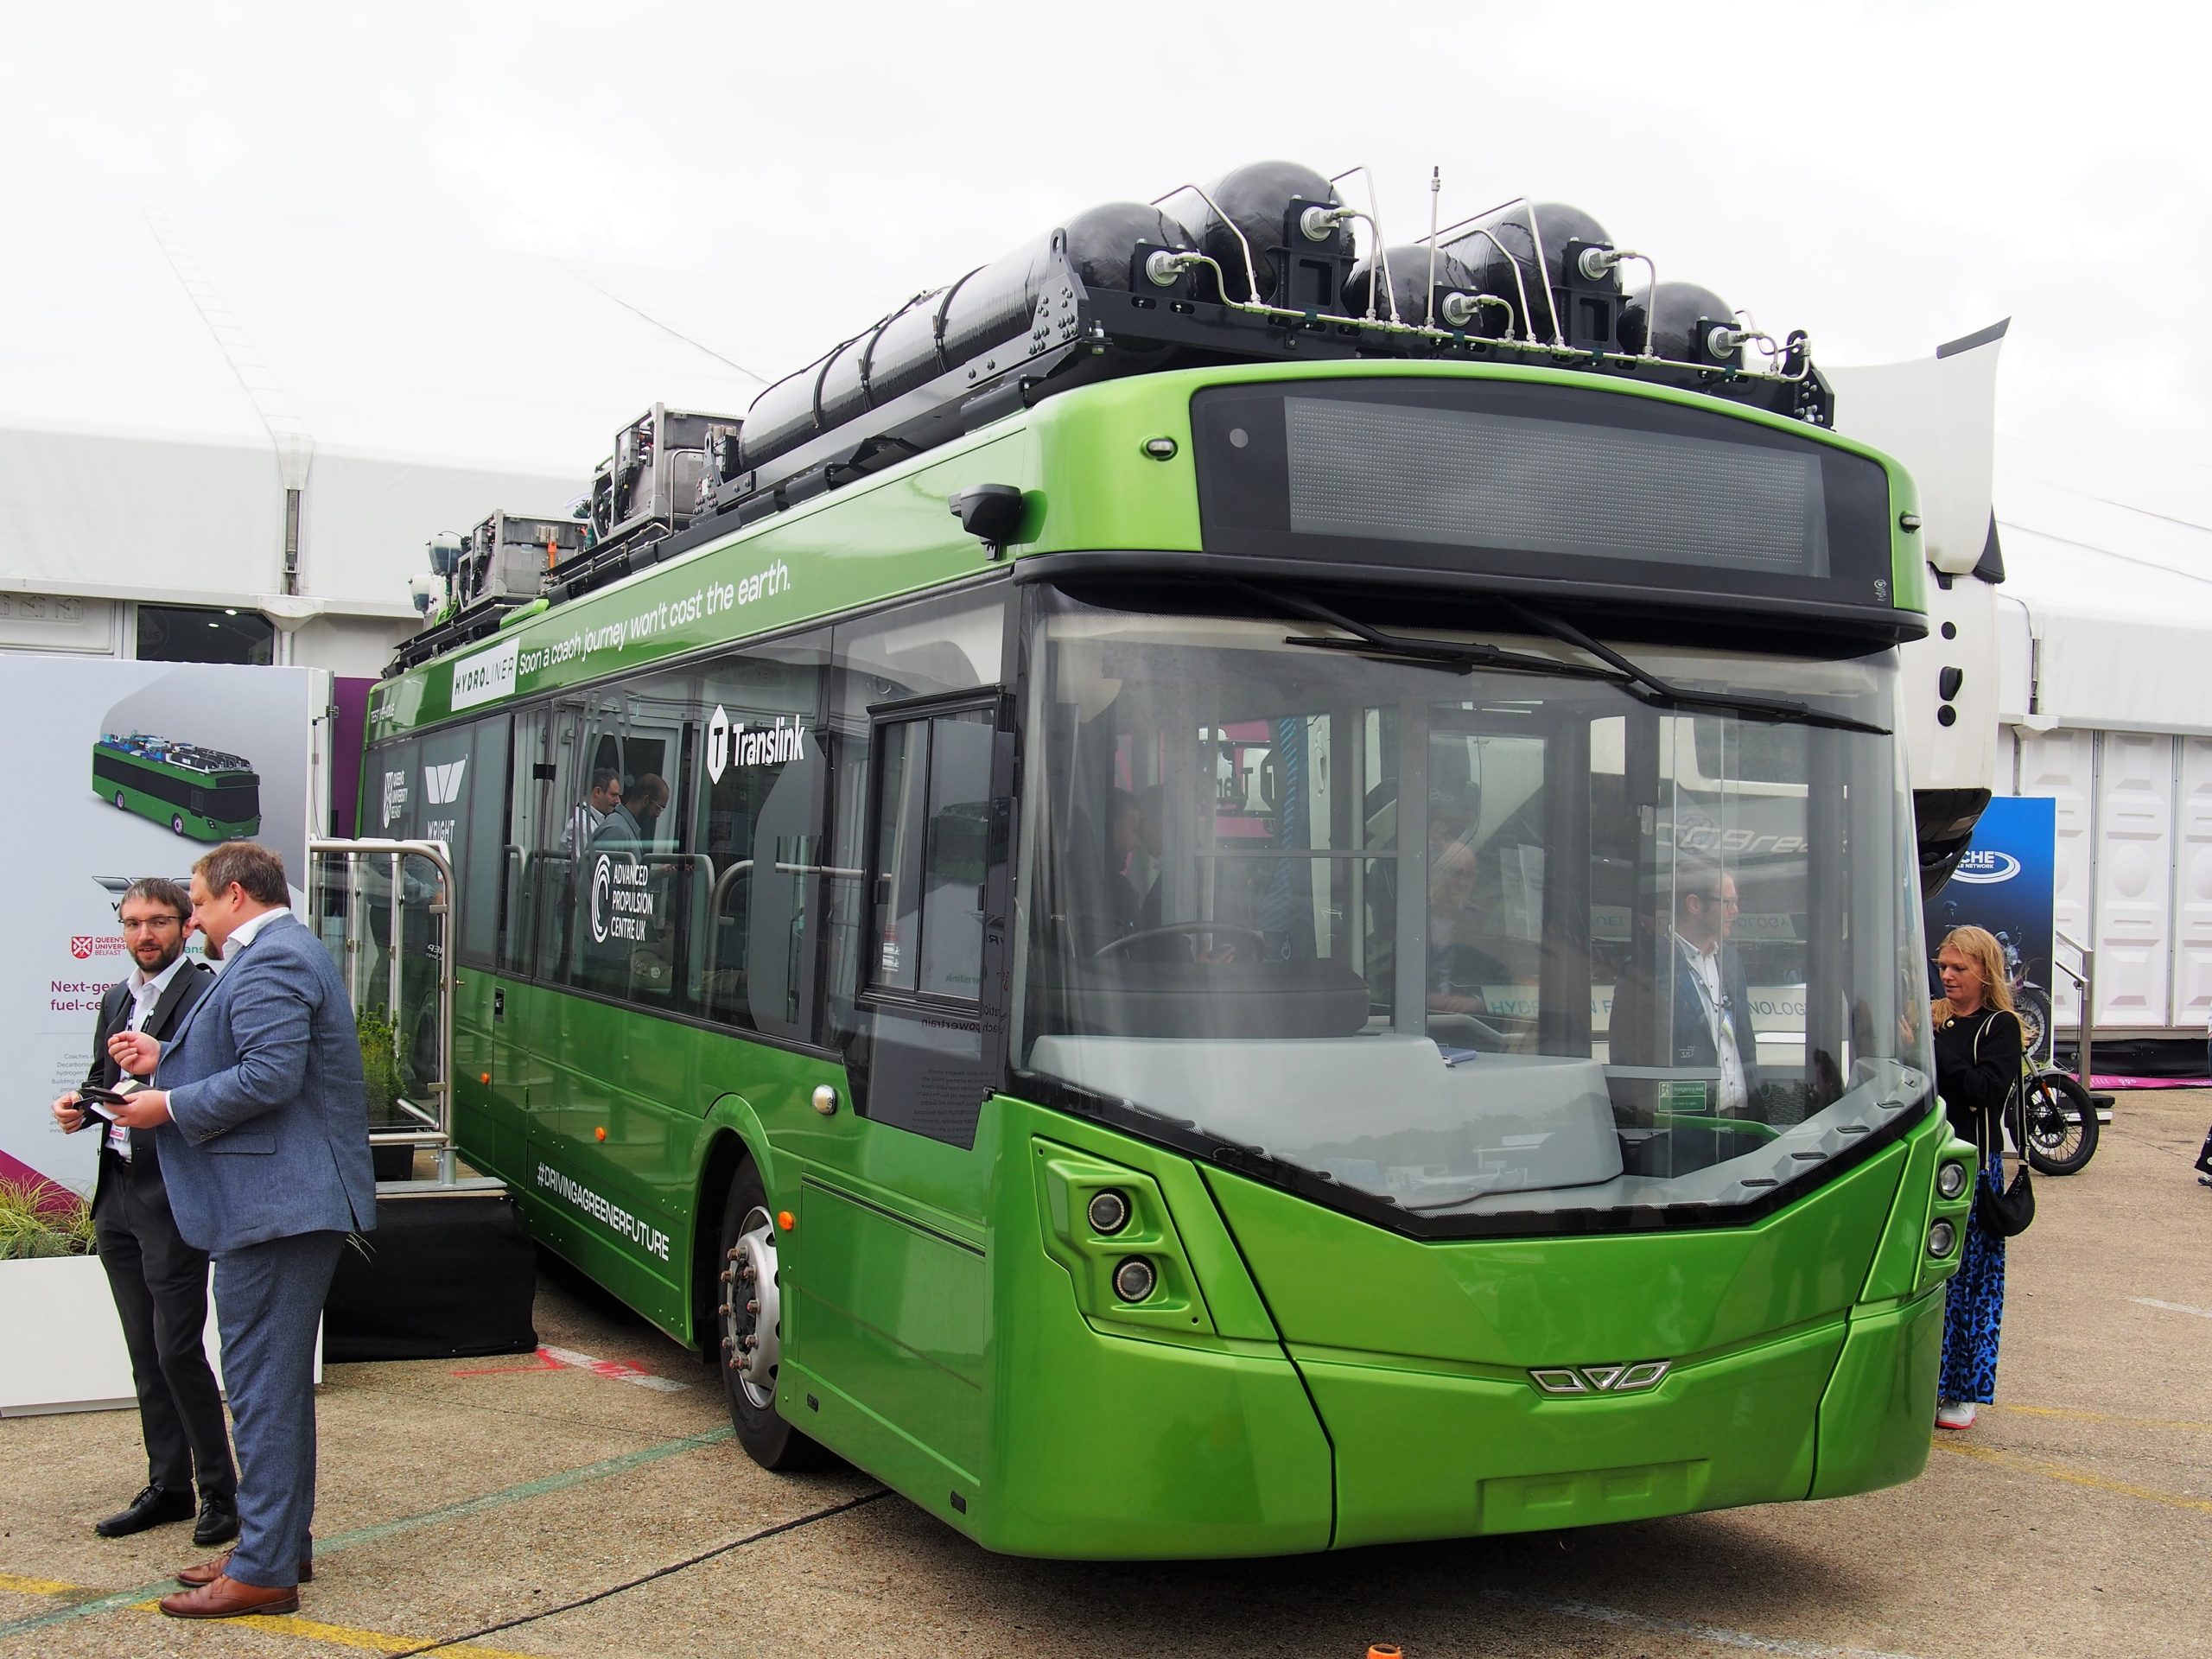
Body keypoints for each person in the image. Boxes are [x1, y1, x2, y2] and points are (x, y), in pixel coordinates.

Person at [103, 842, 378, 1619]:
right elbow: (248, 1055)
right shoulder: (274, 954)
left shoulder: (276, 958)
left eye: (193, 903)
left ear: (233, 895)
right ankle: (276, 1546)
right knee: (271, 1388)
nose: (189, 919)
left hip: (277, 1207)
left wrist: (165, 1106)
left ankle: (264, 1569)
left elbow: (269, 1076)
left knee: (260, 1389)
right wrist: (166, 1058)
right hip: (274, 1204)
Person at [49, 878, 236, 1548]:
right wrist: (78, 1107)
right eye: (131, 923)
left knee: (176, 1348)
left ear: (187, 925)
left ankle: (221, 1493)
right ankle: (170, 1486)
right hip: (119, 1190)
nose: (143, 935)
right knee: (142, 1351)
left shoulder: (209, 993)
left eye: (158, 922)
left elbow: (217, 1087)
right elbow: (108, 1082)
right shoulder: (115, 996)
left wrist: (158, 1085)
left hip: (173, 1194)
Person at [1930, 925, 2023, 1431]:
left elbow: (1985, 1090)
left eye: (1958, 968)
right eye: (1943, 966)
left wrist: (1935, 1050)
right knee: (1930, 1278)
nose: (1947, 976)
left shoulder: (2000, 1026)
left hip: (1972, 1165)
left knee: (1972, 1281)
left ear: (1984, 972)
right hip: (1927, 1159)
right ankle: (1925, 1380)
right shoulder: (1931, 1018)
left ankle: (1962, 1389)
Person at [1654, 861, 1760, 1113]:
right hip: (1688, 1126)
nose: (1735, 911)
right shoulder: (1651, 966)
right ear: (1694, 905)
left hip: (1743, 1121)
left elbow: (1745, 1042)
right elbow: (1632, 1057)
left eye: (1735, 902)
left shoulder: (1731, 961)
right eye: (1727, 903)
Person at [560, 766, 620, 859]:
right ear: (597, 792)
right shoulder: (581, 825)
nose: (618, 801)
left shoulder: (592, 820)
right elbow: (582, 867)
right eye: (613, 795)